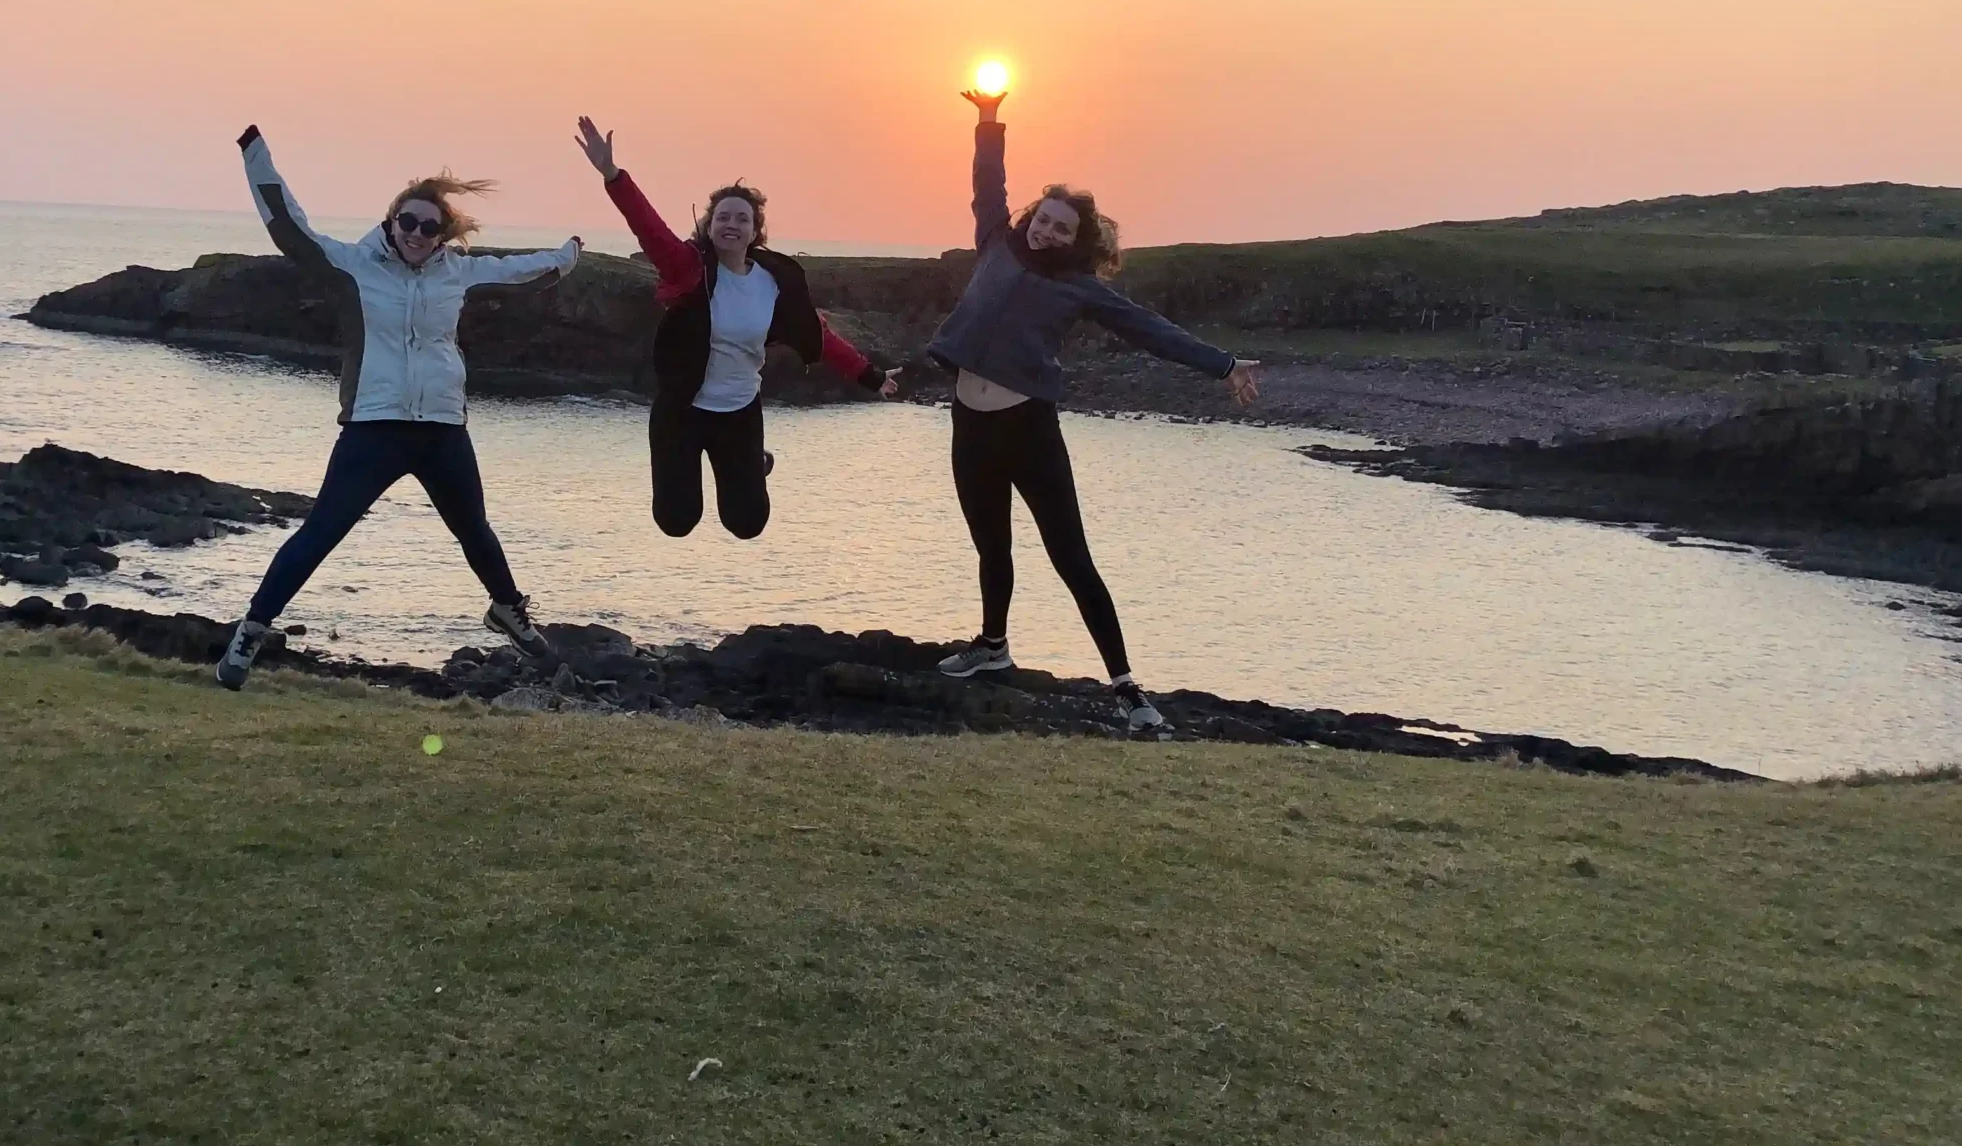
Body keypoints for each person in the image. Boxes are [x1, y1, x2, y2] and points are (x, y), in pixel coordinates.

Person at [923, 86, 1260, 730]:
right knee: (991, 546)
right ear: (1029, 217)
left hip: (1028, 431)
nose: (1047, 230)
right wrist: (989, 120)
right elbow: (986, 184)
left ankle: (1127, 686)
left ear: (1077, 240)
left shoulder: (1079, 288)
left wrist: (1222, 364)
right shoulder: (995, 240)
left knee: (1070, 555)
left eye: (1061, 227)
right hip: (970, 423)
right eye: (1043, 219)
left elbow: (1150, 329)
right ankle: (992, 647)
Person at [213, 122, 580, 688]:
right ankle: (252, 630)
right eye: (407, 221)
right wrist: (255, 154)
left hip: (441, 430)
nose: (416, 231)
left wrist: (567, 256)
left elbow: (521, 272)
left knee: (474, 530)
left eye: (428, 226)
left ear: (441, 234)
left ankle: (507, 609)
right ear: (391, 222)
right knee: (320, 532)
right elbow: (289, 227)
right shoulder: (353, 268)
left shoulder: (458, 273)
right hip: (373, 429)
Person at [575, 115, 898, 539]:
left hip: (738, 413)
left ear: (754, 232)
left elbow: (818, 336)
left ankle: (754, 463)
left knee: (747, 524)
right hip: (683, 412)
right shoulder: (688, 268)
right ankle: (700, 469)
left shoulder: (773, 281)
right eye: (723, 217)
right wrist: (613, 175)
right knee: (676, 522)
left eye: (741, 219)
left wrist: (870, 376)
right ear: (709, 226)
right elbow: (647, 226)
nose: (731, 224)